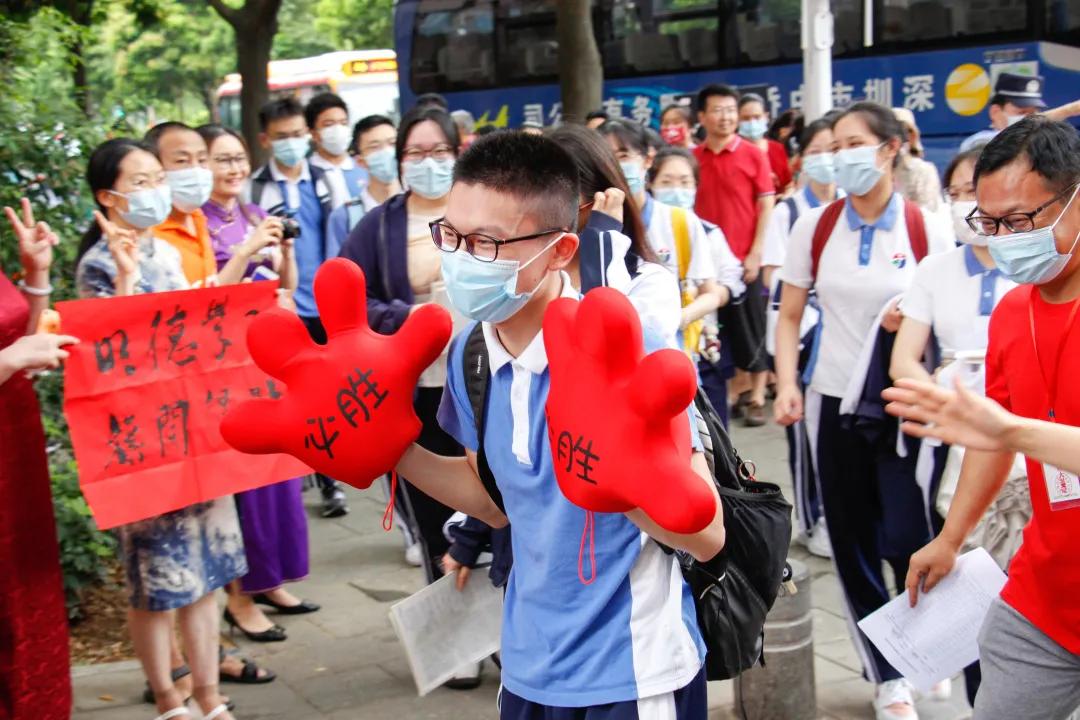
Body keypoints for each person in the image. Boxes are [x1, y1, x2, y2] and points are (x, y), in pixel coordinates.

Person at [396, 129, 725, 717]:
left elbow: (706, 535)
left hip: (633, 672)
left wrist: (615, 482)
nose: (464, 259)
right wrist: (395, 450)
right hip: (526, 663)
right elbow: (496, 503)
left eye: (489, 243)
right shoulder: (473, 352)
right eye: (452, 235)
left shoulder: (633, 354)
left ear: (561, 250)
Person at [773, 102, 954, 720]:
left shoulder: (928, 225)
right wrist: (787, 383)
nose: (838, 156)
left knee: (909, 533)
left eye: (853, 143)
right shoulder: (816, 227)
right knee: (850, 540)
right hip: (830, 401)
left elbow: (947, 318)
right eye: (832, 145)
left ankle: (928, 645)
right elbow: (791, 313)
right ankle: (887, 675)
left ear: (889, 149)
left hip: (908, 400)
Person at [901, 116, 1080, 719]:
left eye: (1021, 221)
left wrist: (1010, 431)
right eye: (989, 222)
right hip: (1042, 601)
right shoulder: (1011, 312)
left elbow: (1006, 431)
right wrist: (951, 539)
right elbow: (991, 439)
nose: (1002, 238)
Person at [75, 138, 243, 720]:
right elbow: (107, 354)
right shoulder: (98, 265)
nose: (153, 192)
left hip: (194, 429)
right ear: (108, 196)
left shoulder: (166, 255)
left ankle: (209, 695)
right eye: (139, 182)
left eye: (155, 179)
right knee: (157, 580)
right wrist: (124, 279)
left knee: (208, 573)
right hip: (141, 443)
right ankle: (169, 697)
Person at [337, 106, 466, 597]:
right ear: (399, 160)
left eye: (439, 151)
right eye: (415, 152)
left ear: (457, 154)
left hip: (483, 380)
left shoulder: (484, 210)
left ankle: (503, 634)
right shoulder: (379, 225)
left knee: (496, 510)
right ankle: (452, 635)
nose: (427, 161)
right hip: (416, 388)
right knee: (434, 512)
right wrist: (405, 317)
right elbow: (348, 298)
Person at [196, 123, 317, 645]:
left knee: (279, 474)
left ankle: (270, 581)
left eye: (239, 158)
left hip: (267, 357)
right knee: (243, 480)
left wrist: (283, 253)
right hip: (223, 365)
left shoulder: (254, 215)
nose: (234, 169)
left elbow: (284, 285)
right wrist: (247, 251)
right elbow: (203, 301)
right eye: (222, 160)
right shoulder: (195, 226)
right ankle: (239, 597)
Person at [250, 97, 349, 519]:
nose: (290, 144)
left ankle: (335, 468)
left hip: (327, 303)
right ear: (265, 140)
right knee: (303, 397)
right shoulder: (254, 189)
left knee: (330, 393)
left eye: (296, 135)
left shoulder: (327, 179)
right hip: (287, 306)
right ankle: (326, 480)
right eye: (281, 137)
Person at [1, 199, 76, 720]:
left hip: (14, 447)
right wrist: (9, 359)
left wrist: (35, 276)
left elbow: (20, 340)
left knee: (22, 595)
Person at [760, 117, 841, 559]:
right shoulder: (788, 213)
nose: (831, 159)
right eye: (822, 150)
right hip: (808, 336)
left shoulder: (852, 207)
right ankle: (815, 519)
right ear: (803, 157)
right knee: (806, 439)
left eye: (840, 149)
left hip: (851, 342)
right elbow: (775, 280)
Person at [598, 119, 724, 358]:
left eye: (624, 155)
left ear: (647, 159)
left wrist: (678, 317)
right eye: (607, 156)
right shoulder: (588, 222)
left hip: (671, 357)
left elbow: (711, 293)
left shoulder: (680, 221)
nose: (615, 164)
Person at [694, 83, 776, 426]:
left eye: (731, 110)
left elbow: (766, 202)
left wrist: (757, 251)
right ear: (702, 116)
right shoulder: (693, 158)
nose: (726, 117)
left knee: (752, 330)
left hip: (744, 260)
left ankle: (757, 396)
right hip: (706, 264)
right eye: (718, 110)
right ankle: (729, 392)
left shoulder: (753, 154)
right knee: (717, 333)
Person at [647, 145, 747, 427]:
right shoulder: (639, 230)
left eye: (685, 182)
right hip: (659, 351)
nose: (676, 189)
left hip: (703, 348)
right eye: (667, 182)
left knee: (713, 433)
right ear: (651, 183)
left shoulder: (708, 231)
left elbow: (731, 278)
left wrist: (708, 301)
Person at [144, 122, 217, 286]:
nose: (196, 170)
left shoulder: (198, 217)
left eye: (202, 159)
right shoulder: (147, 233)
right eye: (182, 160)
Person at [326, 115, 403, 252]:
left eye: (392, 143)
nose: (386, 152)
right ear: (360, 161)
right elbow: (338, 269)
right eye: (375, 147)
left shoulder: (422, 203)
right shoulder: (344, 217)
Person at [959, 72, 1080, 152]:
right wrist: (1068, 110)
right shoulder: (978, 143)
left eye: (1033, 113)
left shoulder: (1041, 141)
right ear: (995, 112)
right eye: (1021, 112)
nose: (1029, 118)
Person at [306, 92, 367, 204]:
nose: (338, 129)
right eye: (329, 124)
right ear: (313, 133)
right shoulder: (306, 175)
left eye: (343, 123)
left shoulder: (364, 167)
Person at [738, 93, 793, 195]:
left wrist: (784, 199)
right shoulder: (733, 152)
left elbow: (788, 185)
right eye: (746, 118)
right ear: (738, 120)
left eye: (757, 117)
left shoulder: (777, 149)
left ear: (766, 117)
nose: (752, 122)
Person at [891, 108, 942, 214]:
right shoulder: (878, 170)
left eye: (904, 132)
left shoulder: (924, 170)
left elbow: (928, 211)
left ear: (912, 136)